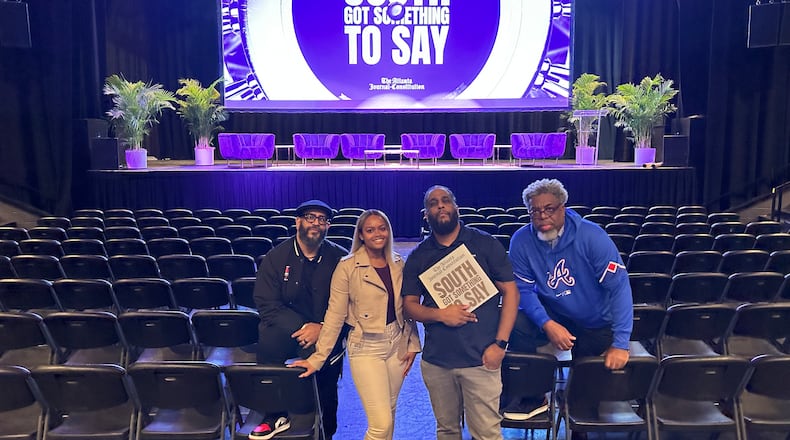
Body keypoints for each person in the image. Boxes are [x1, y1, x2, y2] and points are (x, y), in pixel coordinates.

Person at [290, 209, 421, 440]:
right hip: (366, 348)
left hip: (397, 345)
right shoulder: (347, 267)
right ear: (361, 235)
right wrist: (318, 358)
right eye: (370, 230)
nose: (377, 234)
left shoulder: (399, 263)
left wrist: (412, 342)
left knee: (389, 414)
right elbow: (335, 315)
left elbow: (407, 308)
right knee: (380, 425)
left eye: (382, 228)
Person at [402, 185, 520, 440]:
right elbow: (409, 305)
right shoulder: (418, 256)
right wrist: (440, 315)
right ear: (426, 214)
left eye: (445, 200)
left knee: (487, 433)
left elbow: (511, 293)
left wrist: (500, 345)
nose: (440, 205)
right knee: (447, 431)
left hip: (482, 359)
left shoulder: (485, 244)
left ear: (456, 206)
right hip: (437, 363)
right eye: (433, 203)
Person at [508, 178, 633, 371]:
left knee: (584, 381)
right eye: (535, 211)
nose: (542, 216)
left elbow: (619, 288)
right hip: (556, 312)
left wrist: (621, 344)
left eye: (549, 209)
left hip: (596, 321)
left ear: (562, 208)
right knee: (516, 320)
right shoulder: (521, 241)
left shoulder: (593, 237)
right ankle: (532, 384)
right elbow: (523, 289)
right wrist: (547, 323)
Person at [252, 199, 348, 440]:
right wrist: (304, 327)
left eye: (322, 219)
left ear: (327, 226)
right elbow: (266, 303)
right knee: (268, 341)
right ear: (298, 222)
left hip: (326, 330)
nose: (316, 223)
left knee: (328, 367)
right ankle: (274, 415)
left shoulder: (340, 258)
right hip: (286, 330)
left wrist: (322, 328)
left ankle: (326, 429)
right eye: (310, 217)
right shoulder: (276, 257)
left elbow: (352, 305)